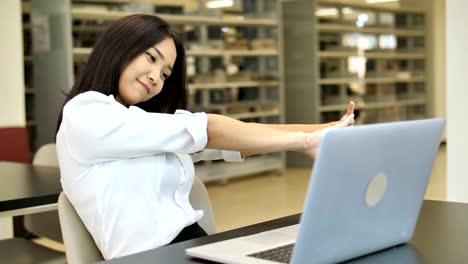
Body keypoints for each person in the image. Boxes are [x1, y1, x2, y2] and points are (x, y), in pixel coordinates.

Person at [56, 14, 355, 260]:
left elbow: (241, 136)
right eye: (151, 58)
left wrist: (322, 131)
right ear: (118, 48)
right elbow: (208, 129)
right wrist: (304, 142)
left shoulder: (143, 123)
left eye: (164, 73)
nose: (155, 77)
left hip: (192, 249)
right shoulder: (85, 113)